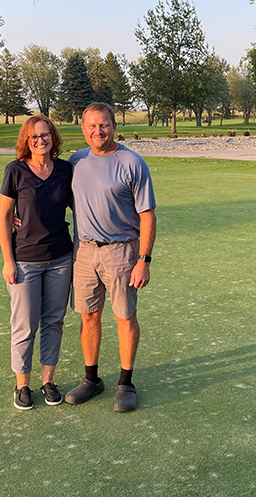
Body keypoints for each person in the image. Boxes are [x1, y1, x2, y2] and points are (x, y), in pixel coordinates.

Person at [64, 102, 156, 412]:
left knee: (124, 316)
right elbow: (50, 196)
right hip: (84, 251)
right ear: (83, 129)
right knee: (88, 316)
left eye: (104, 125)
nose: (98, 131)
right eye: (92, 126)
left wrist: (144, 259)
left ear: (114, 126)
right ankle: (92, 379)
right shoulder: (75, 161)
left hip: (122, 251)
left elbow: (147, 215)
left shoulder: (132, 162)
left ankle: (125, 382)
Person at [0, 114, 73, 410]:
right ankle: (23, 386)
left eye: (45, 135)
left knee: (53, 321)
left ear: (53, 137)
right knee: (25, 325)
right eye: (34, 137)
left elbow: (80, 203)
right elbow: (4, 217)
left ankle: (48, 381)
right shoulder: (15, 171)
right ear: (26, 142)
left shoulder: (66, 169)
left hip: (60, 259)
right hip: (24, 260)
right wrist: (8, 260)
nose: (41, 140)